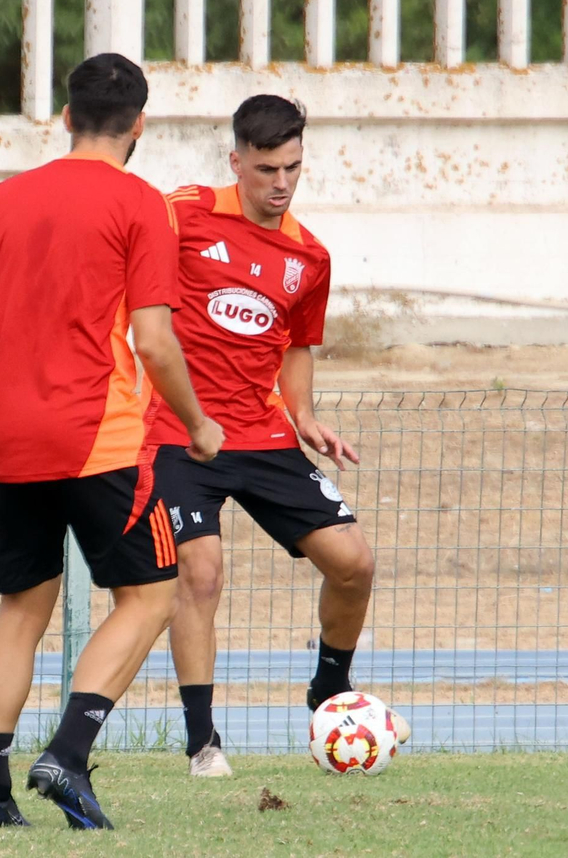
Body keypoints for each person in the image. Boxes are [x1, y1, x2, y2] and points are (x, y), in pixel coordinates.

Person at [0, 53, 223, 829]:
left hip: (13, 440)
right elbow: (153, 340)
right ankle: (68, 751)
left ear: (65, 117)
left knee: (21, 609)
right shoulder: (141, 204)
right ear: (140, 125)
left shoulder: (5, 199)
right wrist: (198, 424)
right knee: (151, 594)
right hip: (101, 440)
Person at [156, 95, 406, 777]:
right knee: (201, 574)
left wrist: (305, 415)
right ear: (236, 161)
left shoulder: (310, 256)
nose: (281, 183)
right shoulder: (183, 213)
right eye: (267, 169)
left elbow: (296, 345)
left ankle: (330, 688)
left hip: (261, 435)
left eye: (293, 168)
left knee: (354, 563)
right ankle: (203, 743)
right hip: (177, 433)